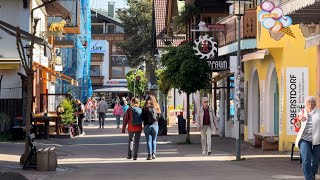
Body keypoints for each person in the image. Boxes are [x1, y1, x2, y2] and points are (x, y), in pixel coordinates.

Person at [295, 96, 320, 180]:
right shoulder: (302, 112)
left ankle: (312, 174)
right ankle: (309, 178)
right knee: (306, 160)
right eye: (308, 102)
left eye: (312, 102)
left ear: (315, 104)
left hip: (317, 140)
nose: (310, 103)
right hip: (304, 139)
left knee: (316, 161)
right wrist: (299, 119)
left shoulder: (318, 113)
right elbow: (296, 125)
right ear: (306, 103)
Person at [142, 94, 161, 160]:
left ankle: (149, 155)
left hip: (147, 125)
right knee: (154, 140)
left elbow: (142, 117)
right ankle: (154, 154)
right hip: (155, 125)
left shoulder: (145, 107)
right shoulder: (156, 106)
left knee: (148, 141)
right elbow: (159, 116)